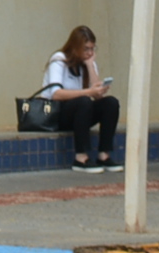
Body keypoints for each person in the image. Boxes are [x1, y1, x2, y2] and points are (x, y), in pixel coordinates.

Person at [40, 26, 120, 172]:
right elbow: (56, 94)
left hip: (80, 113)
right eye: (86, 49)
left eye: (92, 49)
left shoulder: (87, 61)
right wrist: (88, 91)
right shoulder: (59, 60)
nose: (90, 53)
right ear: (75, 47)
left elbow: (97, 95)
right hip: (56, 115)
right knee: (84, 101)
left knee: (111, 103)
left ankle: (104, 154)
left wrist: (90, 66)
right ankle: (81, 158)